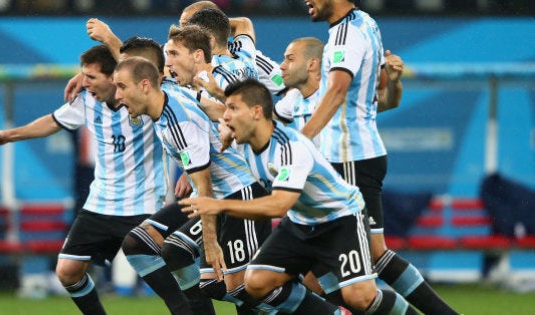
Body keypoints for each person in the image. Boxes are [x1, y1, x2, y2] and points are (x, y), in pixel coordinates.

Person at [179, 79, 419, 314]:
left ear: (256, 112)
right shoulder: (247, 143)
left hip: (340, 220)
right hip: (303, 224)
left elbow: (279, 205)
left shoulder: (288, 146)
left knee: (360, 297)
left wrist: (217, 206)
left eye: (233, 109)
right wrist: (207, 96)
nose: (227, 116)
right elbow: (218, 117)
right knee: (256, 281)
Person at [0, 44, 168, 315]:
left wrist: (108, 37)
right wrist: (7, 135)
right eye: (82, 75)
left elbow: (152, 66)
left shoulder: (145, 100)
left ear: (113, 77)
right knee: (68, 271)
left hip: (142, 204)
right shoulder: (86, 102)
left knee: (169, 273)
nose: (84, 82)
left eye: (91, 77)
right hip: (101, 203)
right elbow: (50, 122)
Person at [302, 1, 458, 314]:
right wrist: (395, 81)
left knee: (344, 262)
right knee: (324, 264)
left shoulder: (346, 35)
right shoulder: (366, 24)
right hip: (358, 155)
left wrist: (300, 142)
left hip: (348, 158)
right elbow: (381, 92)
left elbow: (337, 92)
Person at [115, 57, 272, 314]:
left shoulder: (179, 120)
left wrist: (210, 242)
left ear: (144, 85)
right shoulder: (166, 103)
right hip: (221, 197)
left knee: (245, 288)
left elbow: (205, 184)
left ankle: (312, 305)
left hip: (240, 193)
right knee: (213, 284)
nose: (118, 95)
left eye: (122, 87)